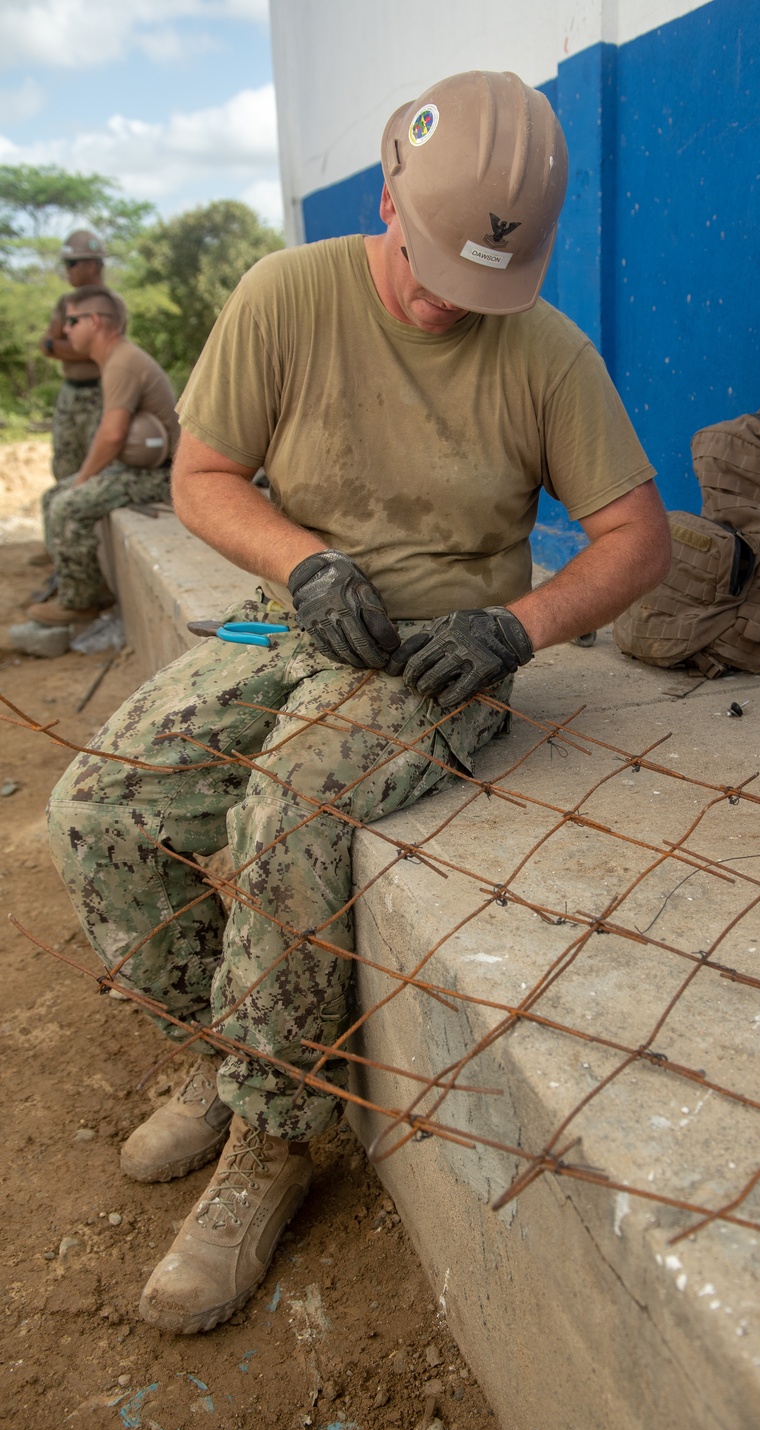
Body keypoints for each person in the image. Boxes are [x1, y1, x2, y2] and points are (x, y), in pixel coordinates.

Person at [46, 70, 672, 1336]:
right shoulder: (289, 294)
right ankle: (231, 1055)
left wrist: (519, 625)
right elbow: (209, 475)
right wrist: (303, 561)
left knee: (289, 815)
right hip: (297, 610)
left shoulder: (548, 351)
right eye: (432, 265)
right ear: (387, 194)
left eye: (483, 283)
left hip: (443, 651)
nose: (450, 301)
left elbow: (636, 540)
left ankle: (272, 1145)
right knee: (101, 807)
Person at [27, 286, 179, 630]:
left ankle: (81, 602)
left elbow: (111, 435)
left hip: (159, 475)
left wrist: (83, 479)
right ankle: (81, 583)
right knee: (53, 495)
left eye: (72, 321)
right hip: (138, 468)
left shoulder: (121, 363)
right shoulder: (115, 359)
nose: (65, 330)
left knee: (67, 504)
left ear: (95, 322)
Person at [39, 230, 127, 482]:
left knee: (99, 468)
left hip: (101, 393)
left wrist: (63, 346)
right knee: (65, 464)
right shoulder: (65, 302)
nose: (67, 270)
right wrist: (81, 347)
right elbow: (46, 345)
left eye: (72, 263)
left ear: (92, 264)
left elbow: (104, 350)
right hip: (70, 392)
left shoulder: (112, 303)